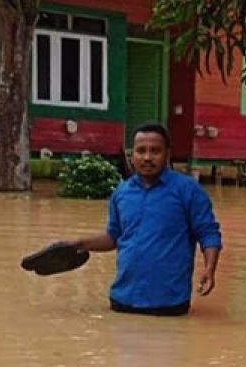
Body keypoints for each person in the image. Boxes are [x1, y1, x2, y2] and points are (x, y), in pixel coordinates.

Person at [69, 122, 222, 316]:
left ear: (167, 153)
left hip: (169, 305)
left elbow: (208, 234)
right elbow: (113, 237)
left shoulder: (188, 190)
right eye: (141, 151)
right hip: (122, 301)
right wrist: (78, 243)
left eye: (155, 151)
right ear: (132, 155)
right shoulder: (121, 193)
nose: (147, 157)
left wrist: (210, 269)